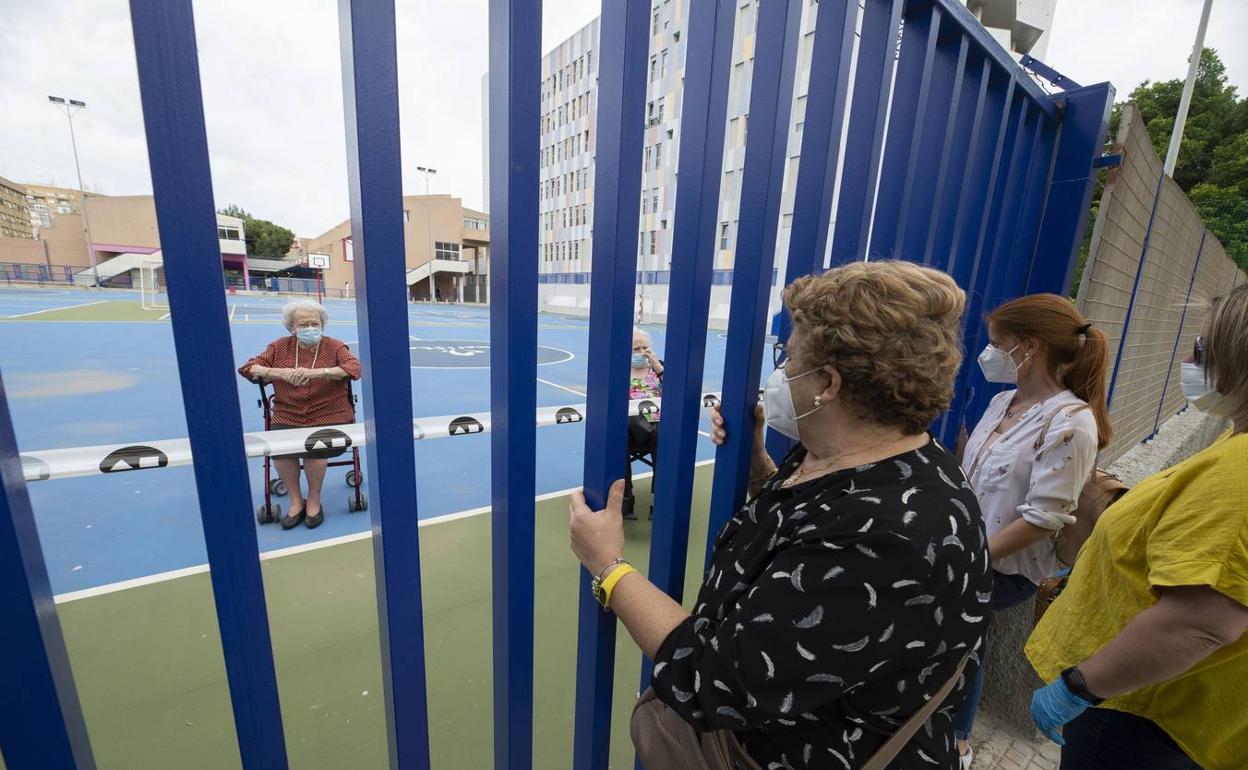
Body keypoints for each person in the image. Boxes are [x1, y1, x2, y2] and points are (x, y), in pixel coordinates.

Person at [569, 261, 991, 769]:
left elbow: (714, 678)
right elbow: (806, 531)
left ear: (828, 384)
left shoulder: (889, 535)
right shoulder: (858, 454)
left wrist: (609, 567)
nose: (781, 372)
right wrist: (756, 465)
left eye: (789, 357)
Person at [1026, 286, 1248, 770]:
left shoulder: (1240, 476)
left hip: (1141, 715)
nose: (1190, 358)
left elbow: (1202, 621)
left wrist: (1079, 686)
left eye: (1203, 348)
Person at [950, 293, 1112, 766]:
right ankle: (948, 727)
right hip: (971, 551)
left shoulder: (1071, 422)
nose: (989, 354)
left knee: (963, 643)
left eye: (997, 343)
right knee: (964, 641)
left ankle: (959, 740)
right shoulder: (1003, 401)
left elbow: (1043, 519)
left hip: (1002, 568)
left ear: (1029, 346)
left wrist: (972, 561)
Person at [239, 300, 361, 530]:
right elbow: (249, 368)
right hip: (288, 413)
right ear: (291, 327)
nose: (310, 328)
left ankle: (314, 500)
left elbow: (353, 368)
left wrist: (318, 373)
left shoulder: (335, 347)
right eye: (303, 324)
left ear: (323, 325)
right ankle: (296, 500)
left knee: (314, 451)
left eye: (315, 323)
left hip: (330, 413)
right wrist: (280, 373)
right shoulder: (279, 347)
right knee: (281, 452)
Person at [624, 327, 664, 519]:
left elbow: (677, 393)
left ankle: (659, 499)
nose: (641, 353)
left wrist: (659, 368)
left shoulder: (659, 369)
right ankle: (626, 497)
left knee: (662, 435)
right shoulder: (620, 371)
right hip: (628, 429)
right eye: (636, 349)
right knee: (621, 429)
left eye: (645, 349)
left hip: (657, 428)